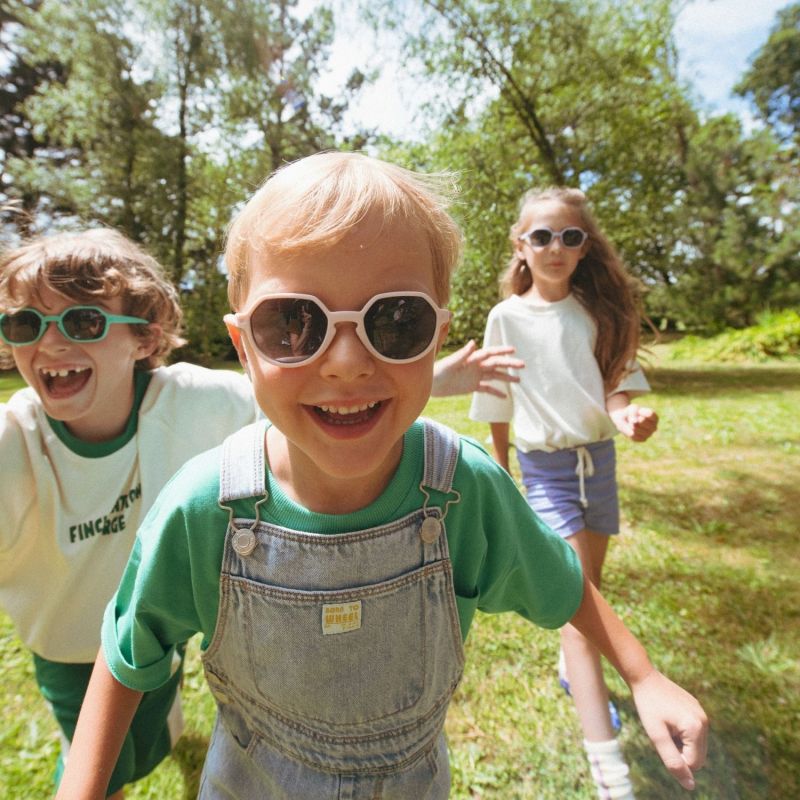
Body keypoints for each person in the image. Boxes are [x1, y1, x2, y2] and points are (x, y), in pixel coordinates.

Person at [55, 153, 706, 800]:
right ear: (243, 344)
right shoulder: (204, 508)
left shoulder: (460, 490)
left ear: (439, 335)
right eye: (292, 324)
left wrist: (644, 675)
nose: (344, 362)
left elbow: (564, 587)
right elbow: (127, 653)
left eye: (396, 321)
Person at [0, 227, 521, 798]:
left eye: (82, 322)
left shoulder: (191, 399)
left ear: (144, 338)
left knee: (149, 737)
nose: (50, 344)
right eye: (26, 324)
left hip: (157, 621)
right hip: (68, 642)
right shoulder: (13, 441)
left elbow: (300, 391)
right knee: (97, 764)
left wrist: (435, 377)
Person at [469, 186, 660, 799]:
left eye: (569, 236)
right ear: (520, 245)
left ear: (584, 248)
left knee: (589, 594)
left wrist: (626, 416)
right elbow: (496, 402)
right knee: (581, 612)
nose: (555, 247)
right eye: (542, 236)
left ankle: (571, 669)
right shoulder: (506, 318)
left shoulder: (598, 313)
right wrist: (502, 473)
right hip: (544, 468)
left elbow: (613, 389)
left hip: (597, 462)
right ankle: (609, 768)